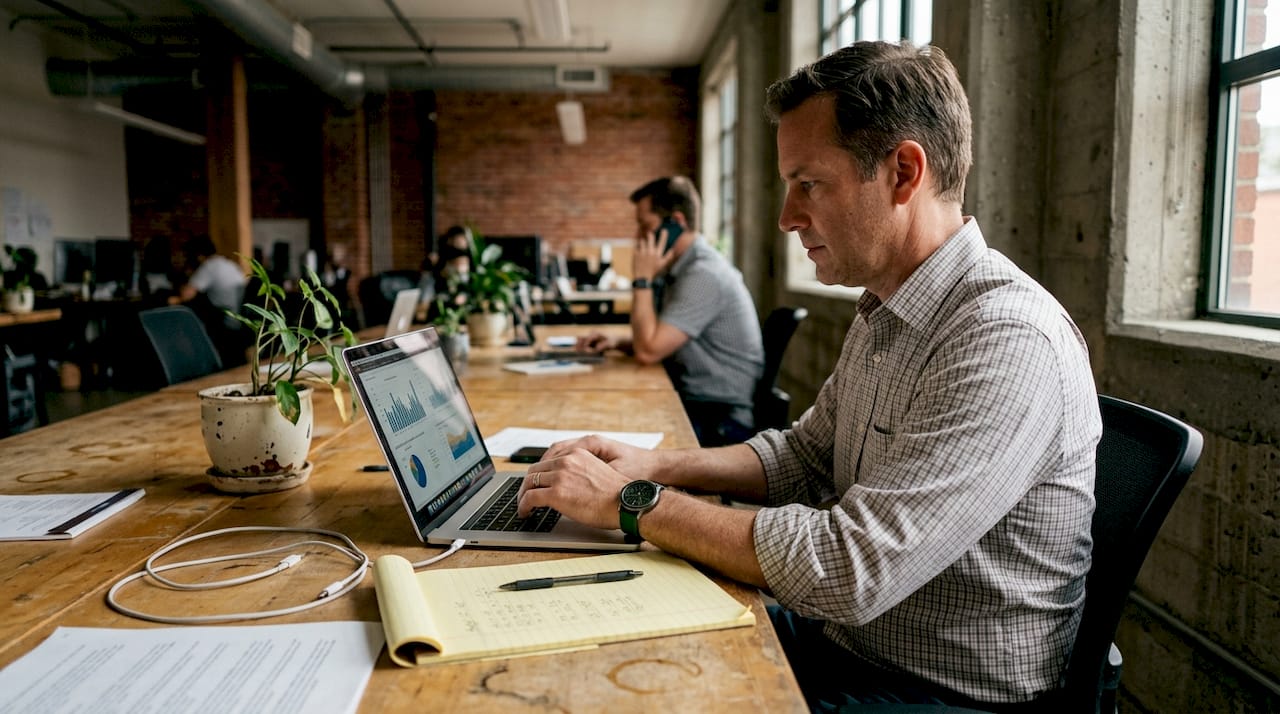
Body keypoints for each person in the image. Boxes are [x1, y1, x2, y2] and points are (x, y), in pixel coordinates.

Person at [518, 41, 1101, 711]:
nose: (788, 217)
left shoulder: (1004, 338)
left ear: (903, 174)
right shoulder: (887, 304)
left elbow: (851, 568)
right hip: (850, 646)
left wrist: (636, 502)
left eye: (809, 184)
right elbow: (804, 454)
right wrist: (658, 463)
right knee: (605, 642)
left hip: (934, 694)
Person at [576, 176, 765, 446]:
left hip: (720, 421)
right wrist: (618, 342)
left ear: (676, 223)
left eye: (645, 226)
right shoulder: (681, 269)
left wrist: (642, 278)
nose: (638, 238)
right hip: (697, 404)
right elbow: (658, 339)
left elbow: (649, 351)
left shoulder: (704, 274)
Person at [180, 235, 248, 365]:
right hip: (239, 321)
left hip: (223, 323)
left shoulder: (209, 266)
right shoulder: (229, 264)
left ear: (198, 256)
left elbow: (186, 295)